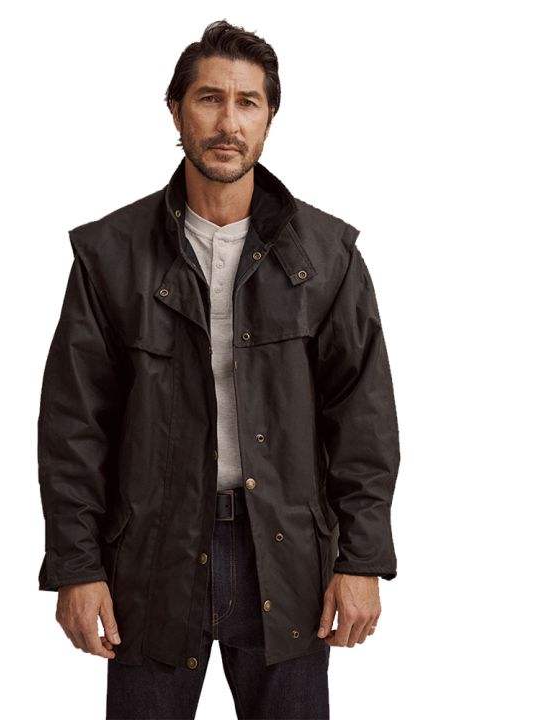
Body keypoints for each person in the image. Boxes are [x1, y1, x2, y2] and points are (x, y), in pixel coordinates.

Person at [37, 19, 400, 720]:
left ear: (269, 118)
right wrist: (77, 568)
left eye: (247, 102)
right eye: (209, 99)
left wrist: (361, 560)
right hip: (151, 555)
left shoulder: (328, 256)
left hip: (288, 557)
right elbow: (74, 426)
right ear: (176, 110)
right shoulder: (110, 255)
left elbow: (364, 419)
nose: (228, 122)